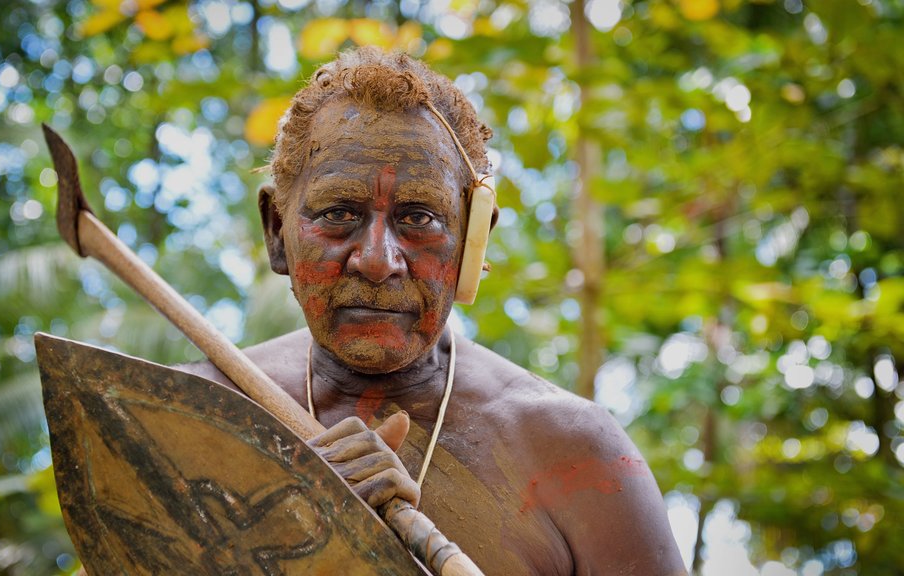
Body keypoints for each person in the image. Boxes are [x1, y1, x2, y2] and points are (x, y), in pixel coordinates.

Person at [183, 48, 685, 575]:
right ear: (276, 233)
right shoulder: (186, 412)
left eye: (418, 217)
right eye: (338, 214)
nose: (378, 261)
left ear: (474, 242)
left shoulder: (577, 456)